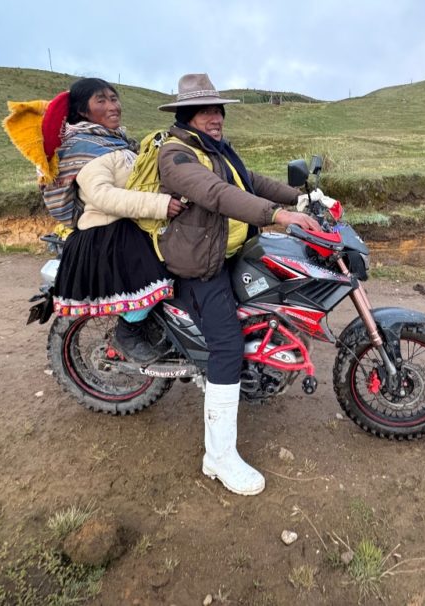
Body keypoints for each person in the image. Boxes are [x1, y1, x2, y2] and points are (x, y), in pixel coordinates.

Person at [156, 73, 323, 496]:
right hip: (197, 266)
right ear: (186, 115)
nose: (216, 117)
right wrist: (278, 217)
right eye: (206, 110)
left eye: (218, 109)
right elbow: (216, 194)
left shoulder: (216, 149)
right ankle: (218, 457)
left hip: (227, 255)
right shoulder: (176, 157)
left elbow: (249, 182)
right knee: (226, 345)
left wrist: (299, 199)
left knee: (269, 291)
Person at [22, 78, 184, 348]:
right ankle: (128, 332)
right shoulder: (84, 147)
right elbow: (103, 196)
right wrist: (161, 204)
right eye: (101, 100)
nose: (113, 106)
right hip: (110, 235)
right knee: (156, 279)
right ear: (83, 111)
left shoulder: (115, 141)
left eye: (114, 98)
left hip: (132, 225)